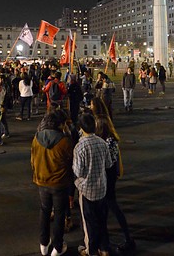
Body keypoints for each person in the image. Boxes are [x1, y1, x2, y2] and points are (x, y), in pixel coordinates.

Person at [31, 110, 73, 256]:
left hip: (41, 181)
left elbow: (33, 160)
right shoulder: (64, 141)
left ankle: (43, 243)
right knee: (60, 214)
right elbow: (71, 161)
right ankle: (57, 246)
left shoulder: (36, 138)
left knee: (44, 211)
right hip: (59, 183)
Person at [95, 114, 135, 253]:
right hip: (111, 175)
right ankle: (110, 237)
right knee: (108, 206)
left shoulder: (104, 142)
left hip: (106, 174)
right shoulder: (112, 140)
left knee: (111, 205)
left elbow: (106, 162)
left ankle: (126, 238)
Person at [73, 112, 112, 256]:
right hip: (102, 188)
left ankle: (91, 251)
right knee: (102, 221)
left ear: (81, 128)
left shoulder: (80, 147)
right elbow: (108, 164)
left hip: (87, 190)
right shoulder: (102, 142)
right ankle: (105, 248)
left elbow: (78, 171)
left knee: (89, 223)